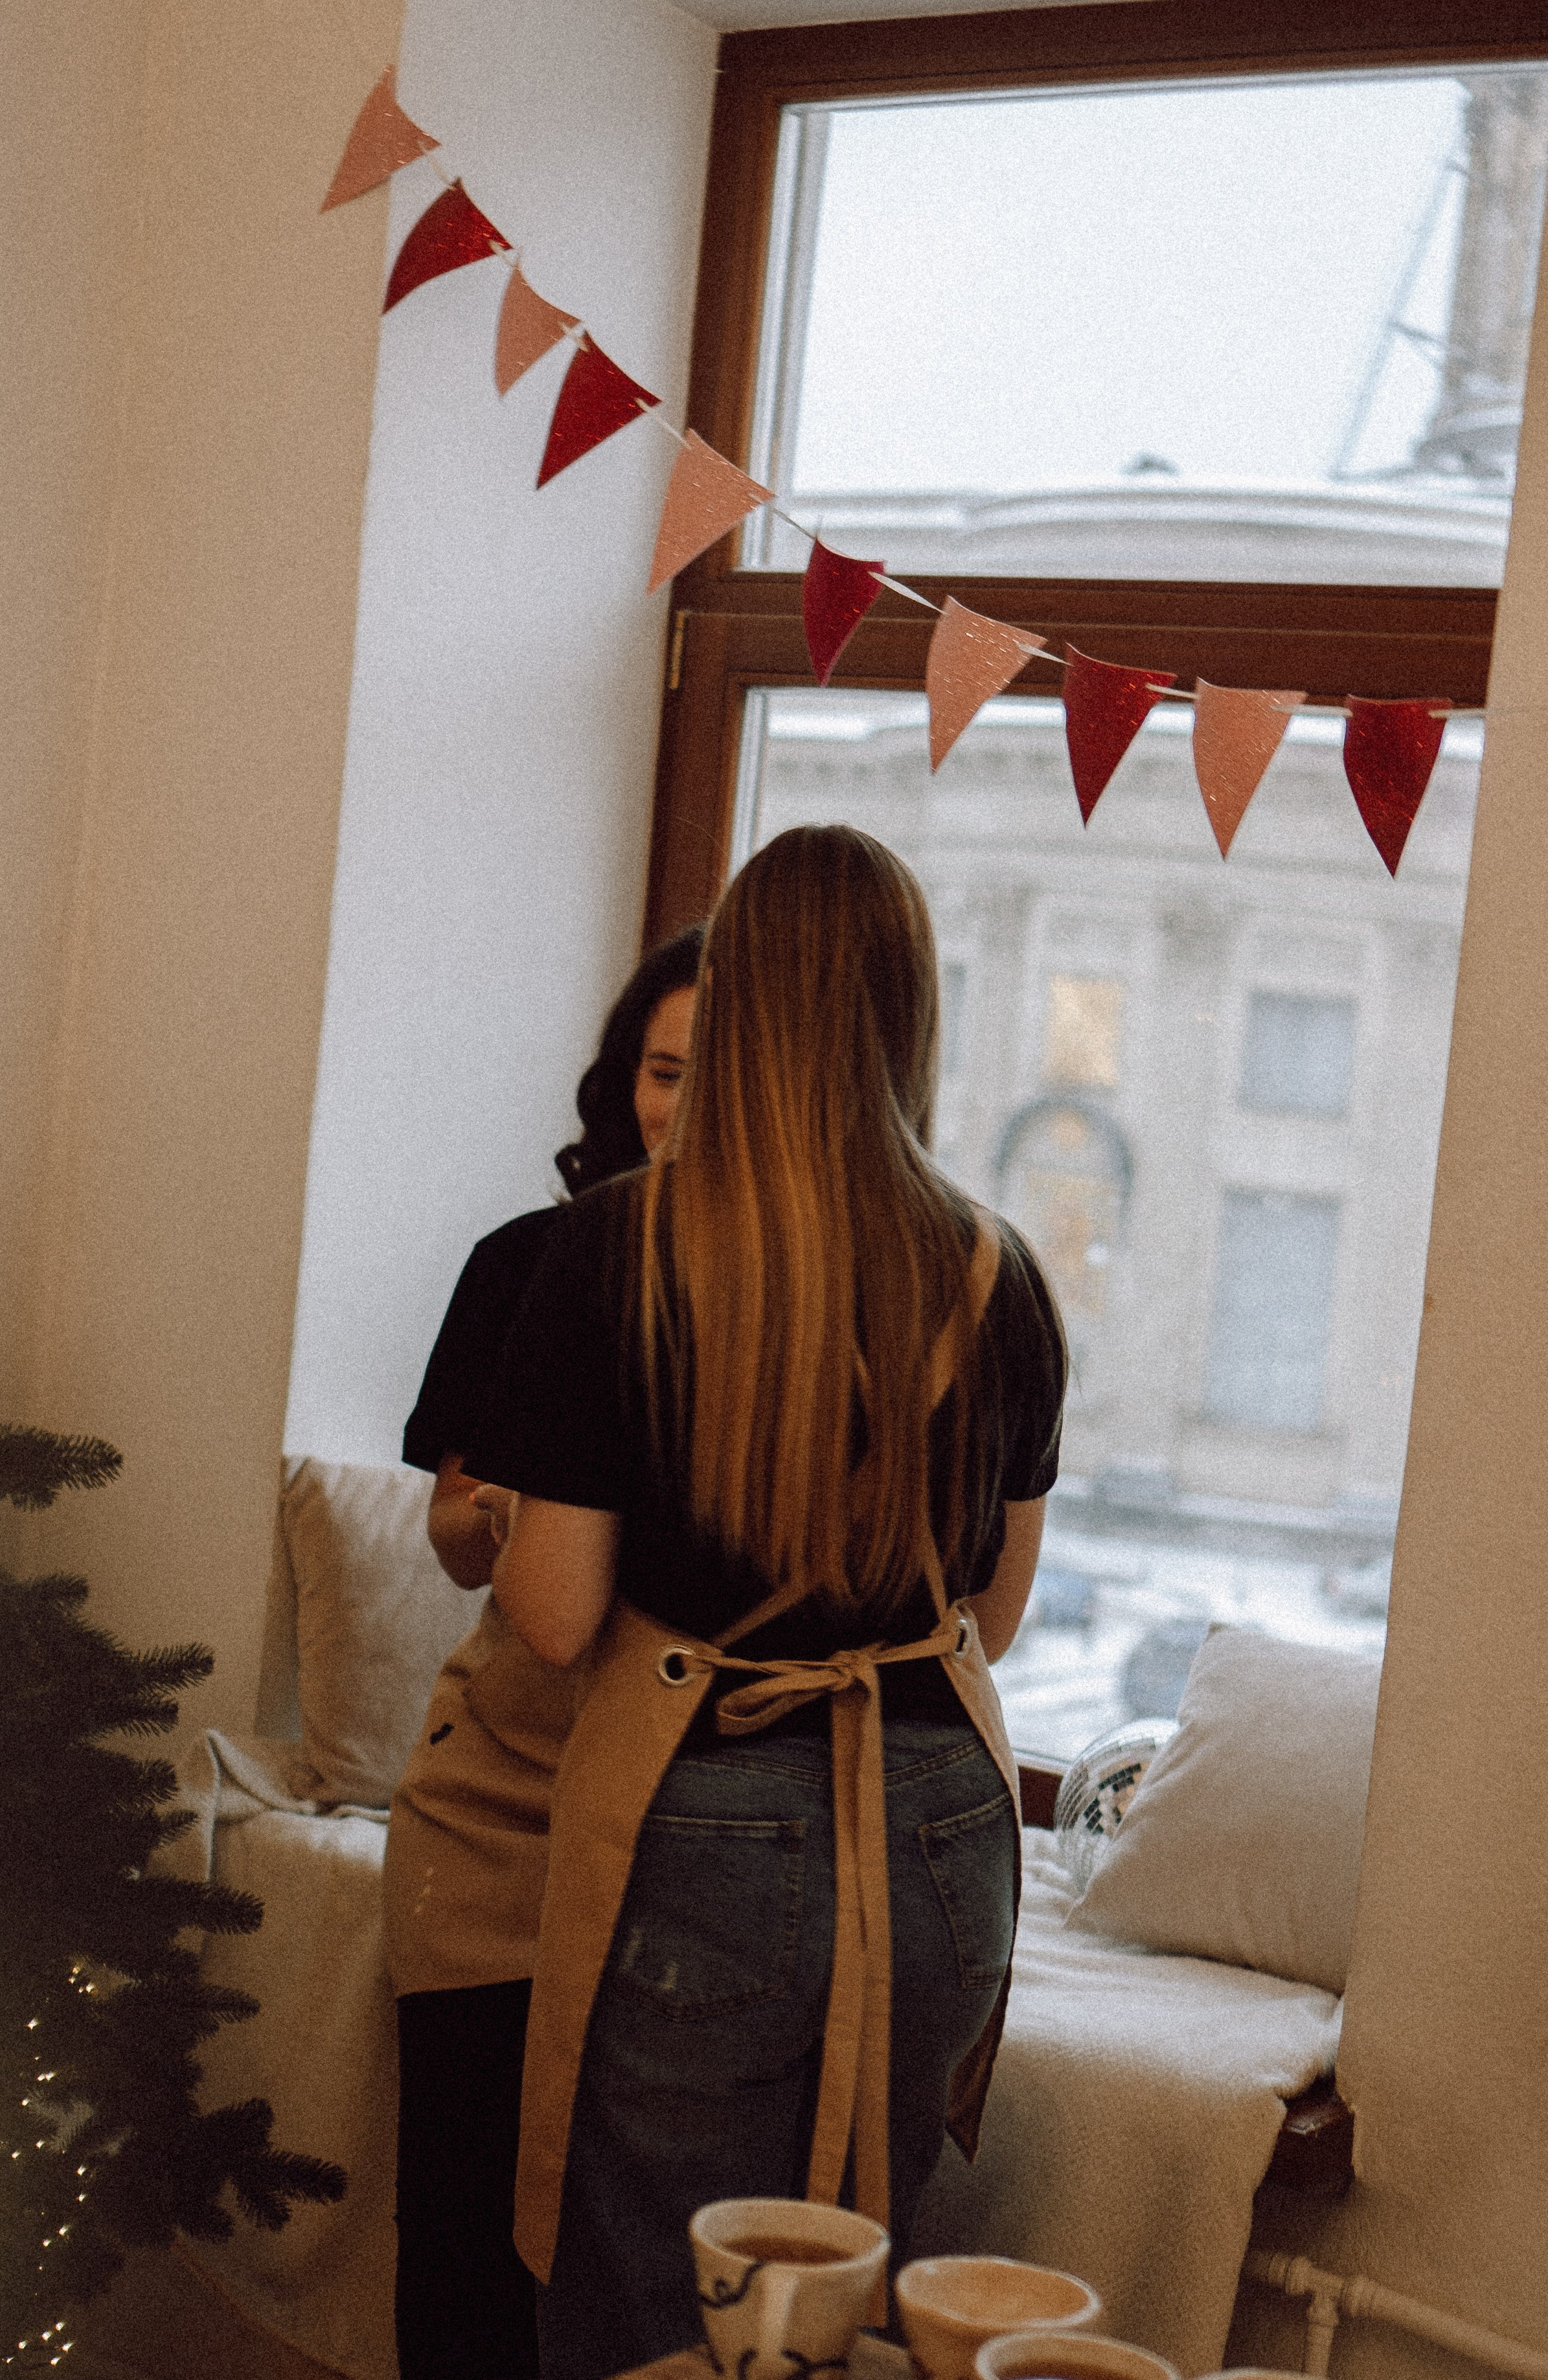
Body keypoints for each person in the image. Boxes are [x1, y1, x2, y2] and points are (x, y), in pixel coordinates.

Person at [478, 825, 1067, 2380]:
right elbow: (991, 1618)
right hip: (944, 1824)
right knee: (842, 2304)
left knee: (655, 2307)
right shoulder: (998, 1273)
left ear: (733, 1005)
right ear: (911, 1010)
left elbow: (551, 1613)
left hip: (712, 1815)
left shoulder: (614, 1250)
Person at [384, 920, 704, 2380]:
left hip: (693, 1836)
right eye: (661, 1070)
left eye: (715, 1078)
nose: (679, 1105)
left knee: (629, 2269)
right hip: (503, 1801)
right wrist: (516, 1513)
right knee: (463, 2244)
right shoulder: (527, 1262)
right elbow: (456, 1537)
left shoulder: (787, 1293)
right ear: (621, 1078)